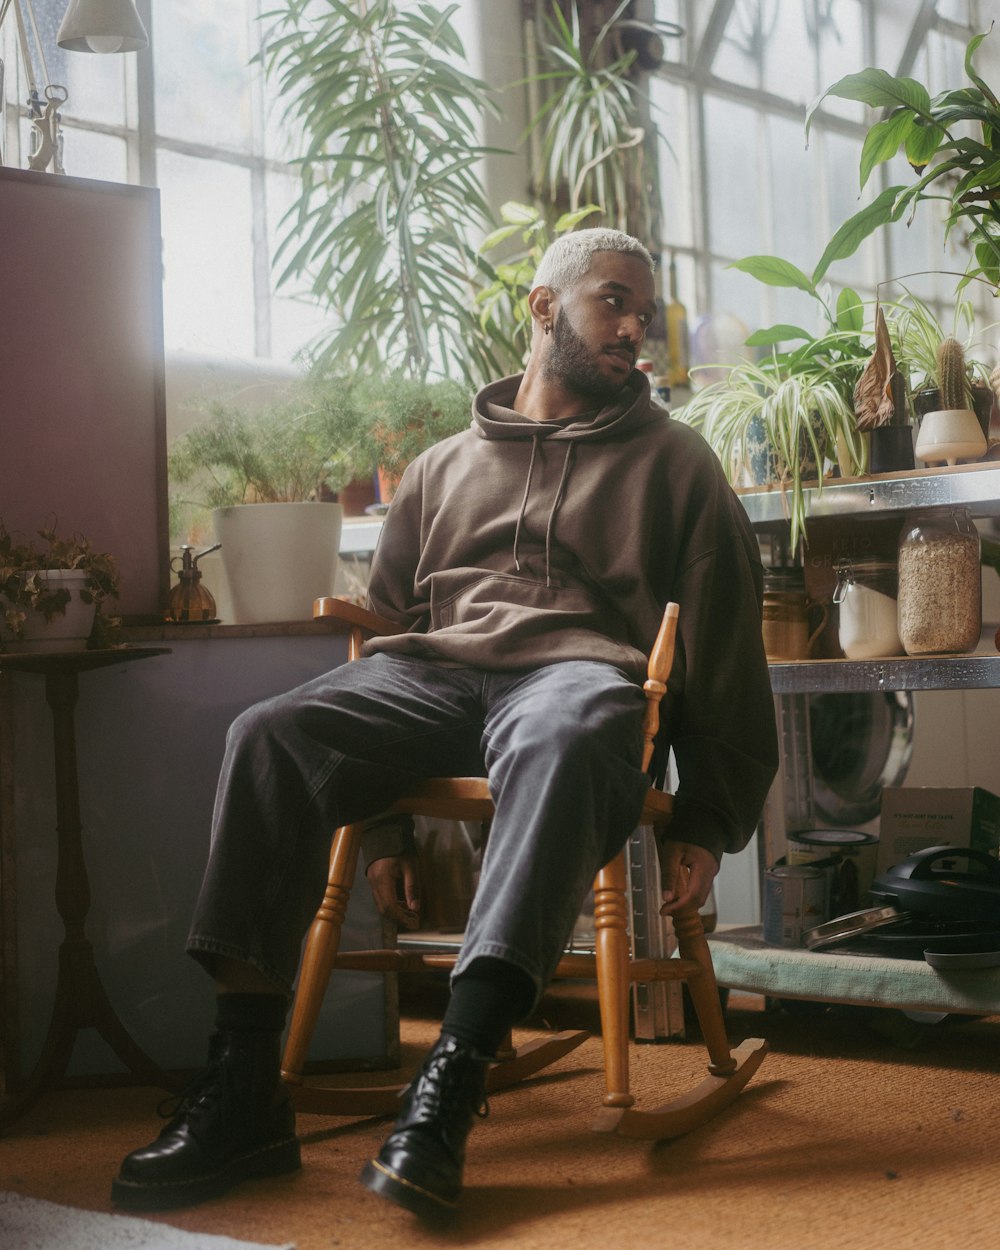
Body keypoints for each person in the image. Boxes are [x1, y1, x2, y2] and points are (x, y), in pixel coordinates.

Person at [112, 228, 777, 1218]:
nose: (637, 324)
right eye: (613, 301)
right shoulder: (436, 468)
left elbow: (721, 654)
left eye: (645, 307)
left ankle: (451, 1078)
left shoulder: (678, 465)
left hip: (575, 680)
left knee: (571, 721)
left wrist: (704, 819)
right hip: (434, 677)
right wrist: (381, 829)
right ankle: (245, 1086)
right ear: (544, 309)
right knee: (268, 732)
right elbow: (384, 628)